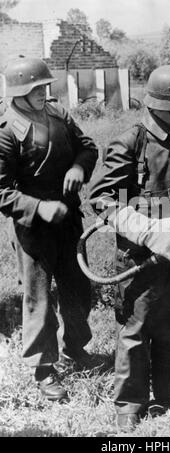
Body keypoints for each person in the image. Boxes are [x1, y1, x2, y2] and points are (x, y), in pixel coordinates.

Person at [89, 64, 170, 431]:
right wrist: (148, 229)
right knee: (136, 326)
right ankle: (130, 403)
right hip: (139, 254)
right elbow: (101, 199)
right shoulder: (130, 141)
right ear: (163, 105)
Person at [0, 56, 98, 400]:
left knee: (78, 287)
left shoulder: (58, 114)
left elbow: (87, 147)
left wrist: (78, 168)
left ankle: (75, 347)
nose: (44, 91)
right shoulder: (6, 130)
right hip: (33, 226)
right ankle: (43, 369)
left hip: (68, 216)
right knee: (38, 297)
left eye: (45, 85)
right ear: (19, 93)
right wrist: (40, 206)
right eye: (36, 88)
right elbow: (2, 190)